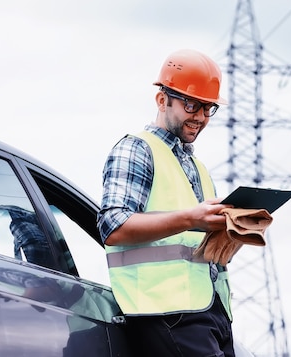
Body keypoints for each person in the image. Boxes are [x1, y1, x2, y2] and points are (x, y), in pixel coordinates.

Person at [97, 49, 236, 356]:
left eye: (207, 108)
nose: (199, 117)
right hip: (167, 312)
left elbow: (191, 246)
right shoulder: (136, 149)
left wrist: (233, 232)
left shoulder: (197, 167)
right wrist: (192, 218)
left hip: (212, 310)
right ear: (162, 100)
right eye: (191, 105)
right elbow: (112, 225)